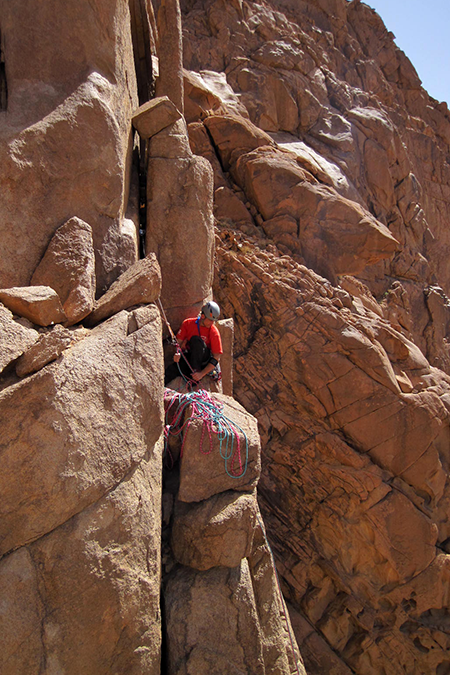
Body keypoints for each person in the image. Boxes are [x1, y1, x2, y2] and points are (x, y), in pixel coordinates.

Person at [164, 301, 223, 386]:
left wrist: (201, 374)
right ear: (203, 316)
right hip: (191, 357)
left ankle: (195, 376)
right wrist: (177, 353)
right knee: (172, 369)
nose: (212, 323)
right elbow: (178, 342)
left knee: (196, 341)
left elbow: (216, 357)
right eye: (210, 320)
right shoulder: (188, 324)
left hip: (203, 361)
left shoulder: (213, 332)